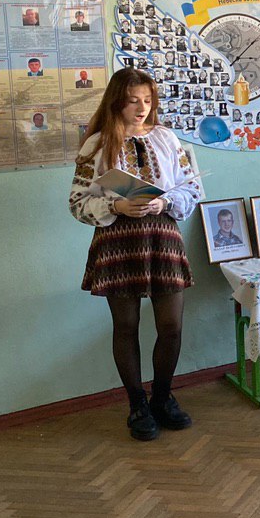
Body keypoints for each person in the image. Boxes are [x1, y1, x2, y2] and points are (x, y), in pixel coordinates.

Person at [68, 68, 203, 441]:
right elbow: (77, 202)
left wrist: (165, 202)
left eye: (147, 100)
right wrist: (117, 206)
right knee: (126, 327)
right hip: (118, 241)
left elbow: (192, 190)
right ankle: (137, 404)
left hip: (162, 237)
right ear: (116, 102)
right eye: (132, 101)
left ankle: (162, 397)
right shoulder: (96, 144)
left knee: (171, 327)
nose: (142, 108)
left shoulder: (166, 138)